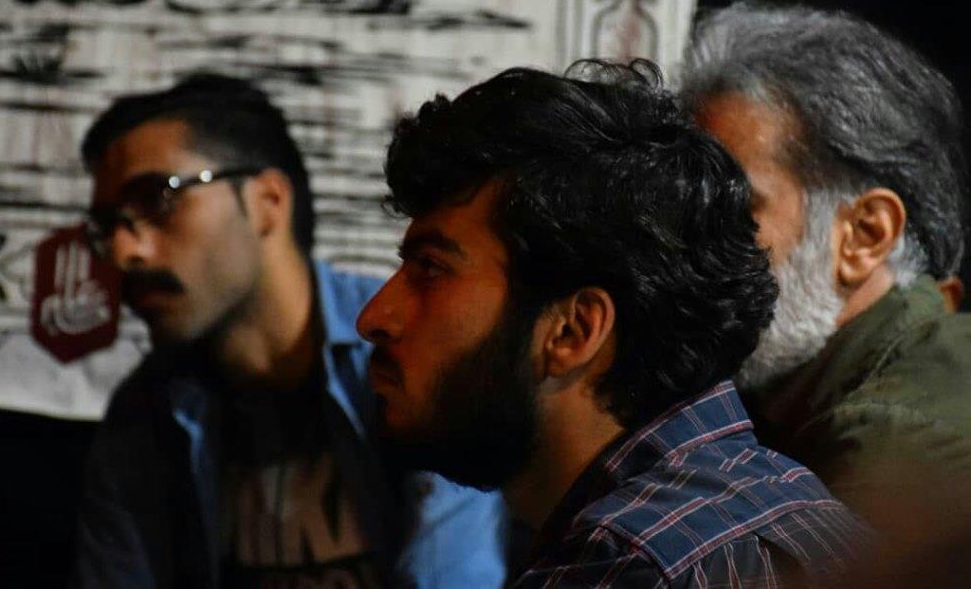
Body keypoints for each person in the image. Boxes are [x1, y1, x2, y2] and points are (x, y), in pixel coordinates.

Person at [356, 61, 869, 587]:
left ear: (573, 331)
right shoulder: (793, 499)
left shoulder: (622, 565)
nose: (373, 317)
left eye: (430, 269)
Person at [72, 74, 507, 588]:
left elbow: (448, 575)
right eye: (108, 226)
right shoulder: (146, 412)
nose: (124, 252)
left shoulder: (407, 347)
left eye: (157, 198)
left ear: (268, 201)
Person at [679, 0, 971, 526]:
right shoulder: (817, 397)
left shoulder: (892, 447)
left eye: (733, 208)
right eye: (684, 208)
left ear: (863, 236)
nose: (687, 244)